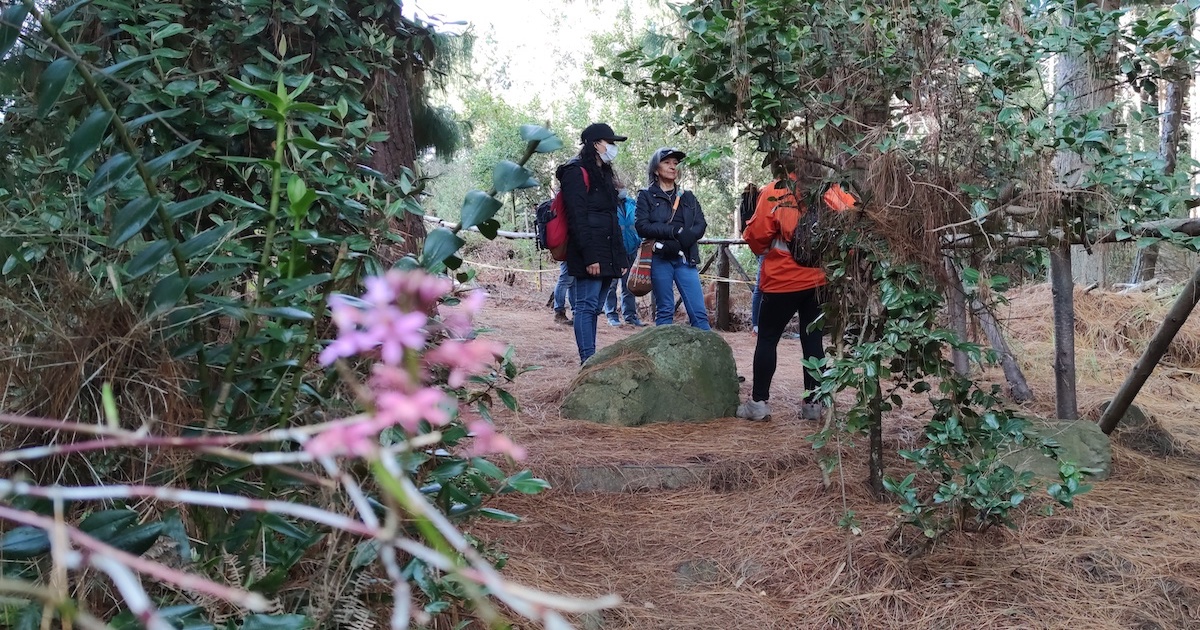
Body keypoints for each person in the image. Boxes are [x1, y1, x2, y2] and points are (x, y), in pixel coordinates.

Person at [736, 147, 857, 422]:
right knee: (812, 339)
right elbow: (854, 230)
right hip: (820, 281)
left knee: (767, 338)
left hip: (780, 281)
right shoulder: (833, 191)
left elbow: (756, 238)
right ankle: (813, 405)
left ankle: (758, 404)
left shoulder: (775, 191)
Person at [558, 122, 630, 364]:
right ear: (596, 143)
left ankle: (591, 358)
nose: (612, 147)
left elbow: (612, 217)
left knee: (595, 308)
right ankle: (587, 361)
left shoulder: (604, 174)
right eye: (610, 142)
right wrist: (590, 256)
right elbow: (577, 217)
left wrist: (620, 257)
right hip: (589, 251)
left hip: (608, 249)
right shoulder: (575, 172)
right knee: (585, 306)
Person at [634, 147, 710, 329]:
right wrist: (676, 232)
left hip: (685, 258)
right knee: (665, 309)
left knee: (699, 312)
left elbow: (701, 224)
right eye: (667, 163)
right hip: (660, 258)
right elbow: (642, 226)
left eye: (675, 163)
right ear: (655, 169)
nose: (672, 167)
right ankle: (662, 356)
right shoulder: (646, 195)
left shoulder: (688, 197)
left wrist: (686, 238)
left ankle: (708, 354)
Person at [604, 184, 645, 327]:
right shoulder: (606, 204)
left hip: (631, 249)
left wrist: (639, 240)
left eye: (622, 187)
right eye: (618, 188)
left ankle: (630, 315)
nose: (621, 190)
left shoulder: (631, 203)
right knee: (611, 285)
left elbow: (638, 224)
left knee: (629, 284)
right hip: (613, 251)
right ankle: (611, 314)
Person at [738, 183, 764, 335]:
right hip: (765, 245)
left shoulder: (744, 204)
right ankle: (757, 325)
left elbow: (743, 228)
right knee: (761, 286)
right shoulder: (759, 201)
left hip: (755, 244)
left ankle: (756, 325)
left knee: (760, 287)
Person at [552, 260, 574, 325]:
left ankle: (576, 313)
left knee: (573, 283)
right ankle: (559, 312)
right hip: (569, 255)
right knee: (564, 281)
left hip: (576, 256)